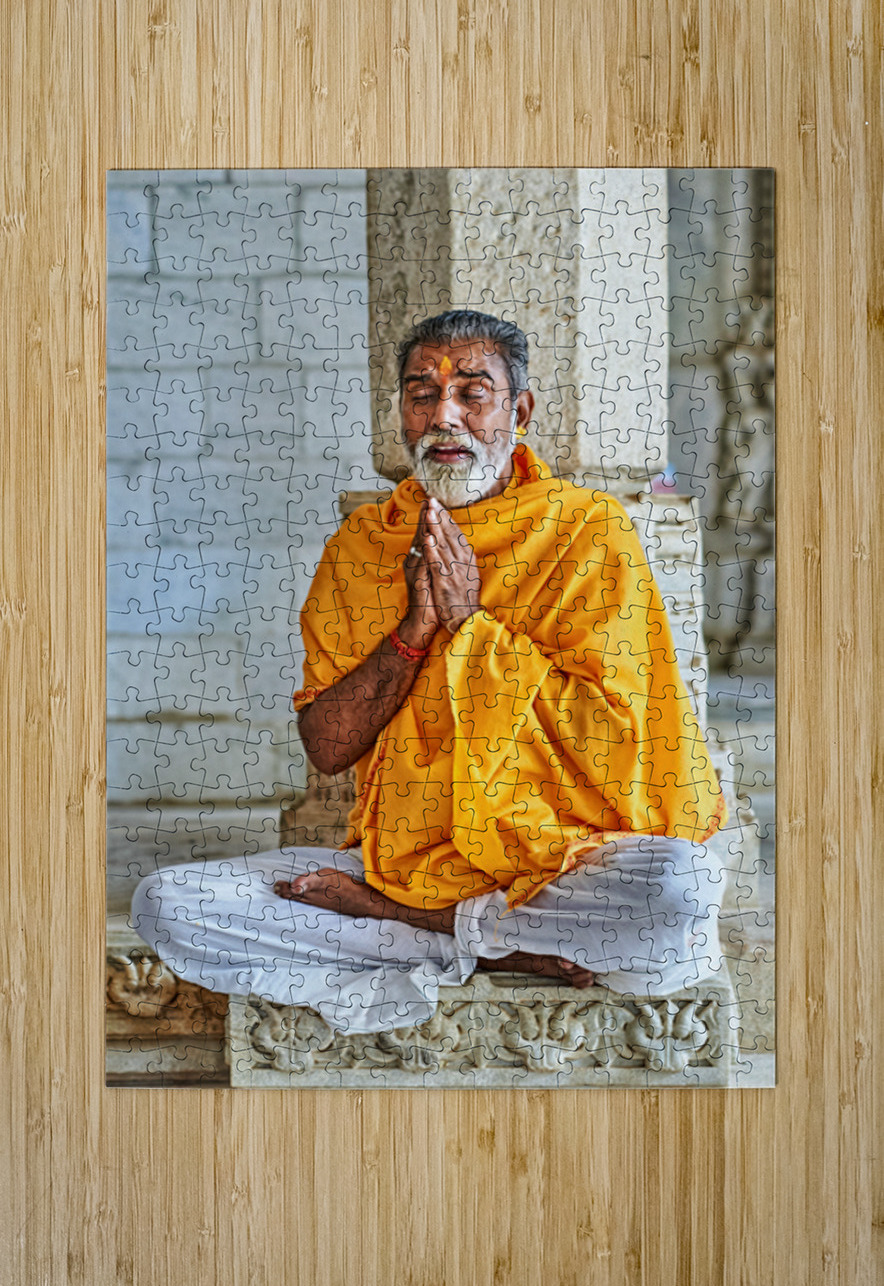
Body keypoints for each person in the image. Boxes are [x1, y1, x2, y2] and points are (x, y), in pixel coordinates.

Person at [132, 310, 726, 1035]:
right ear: (402, 412)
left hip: (558, 867)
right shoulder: (364, 545)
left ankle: (420, 927)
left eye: (472, 392)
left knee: (680, 893)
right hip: (400, 860)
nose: (444, 416)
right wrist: (416, 630)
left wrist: (473, 630)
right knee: (167, 904)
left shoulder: (588, 530)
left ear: (521, 411)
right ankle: (492, 944)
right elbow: (327, 745)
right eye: (422, 393)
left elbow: (618, 741)